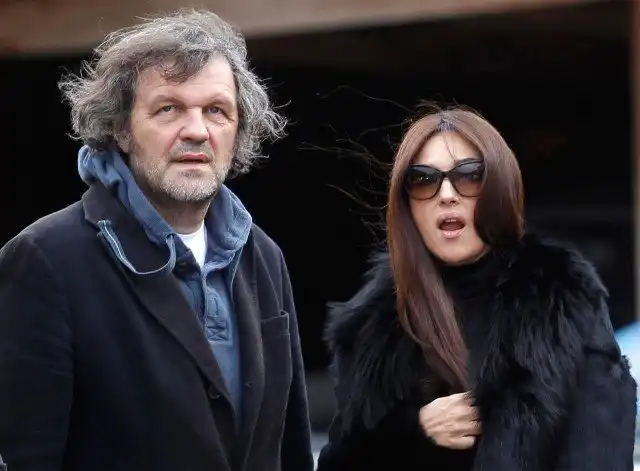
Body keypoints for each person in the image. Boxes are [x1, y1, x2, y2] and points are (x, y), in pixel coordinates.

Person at [0, 9, 313, 471]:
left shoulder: (262, 255)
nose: (197, 131)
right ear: (121, 129)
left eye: (216, 110)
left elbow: (291, 449)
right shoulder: (46, 259)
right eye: (169, 108)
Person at [316, 107, 637, 471]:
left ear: (498, 188)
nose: (446, 194)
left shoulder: (559, 295)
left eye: (469, 176)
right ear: (406, 203)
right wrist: (413, 431)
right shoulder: (373, 323)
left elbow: (602, 443)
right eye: (423, 179)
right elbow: (341, 460)